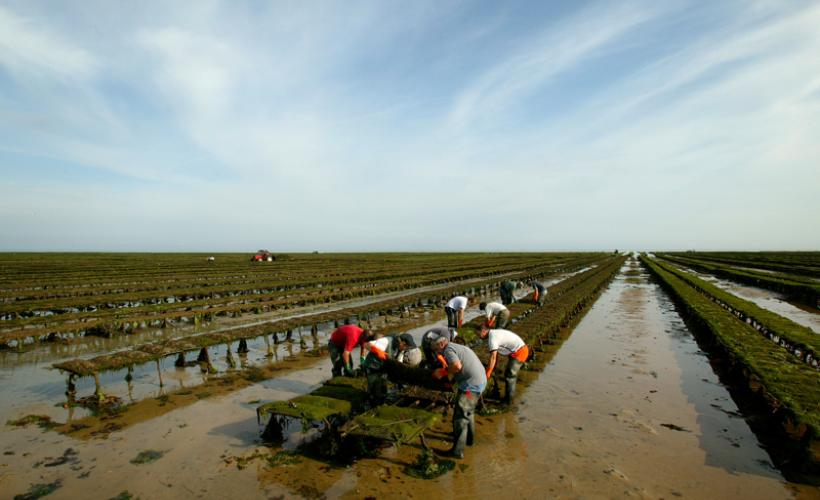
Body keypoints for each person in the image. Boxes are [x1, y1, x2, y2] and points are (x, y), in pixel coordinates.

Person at [432, 335, 486, 459]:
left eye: (436, 349)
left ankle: (457, 452)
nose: (436, 352)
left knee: (460, 417)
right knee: (468, 412)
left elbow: (456, 366)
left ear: (441, 344)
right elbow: (457, 369)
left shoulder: (448, 350)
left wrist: (442, 372)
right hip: (479, 381)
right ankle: (469, 440)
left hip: (471, 386)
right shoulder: (457, 347)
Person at [479, 325, 529, 405]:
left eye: (479, 333)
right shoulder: (494, 333)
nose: (479, 336)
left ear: (484, 331)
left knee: (510, 376)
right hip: (517, 350)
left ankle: (508, 402)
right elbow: (496, 354)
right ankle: (508, 397)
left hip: (520, 352)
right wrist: (493, 367)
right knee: (508, 374)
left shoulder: (492, 338)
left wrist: (488, 373)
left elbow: (493, 357)